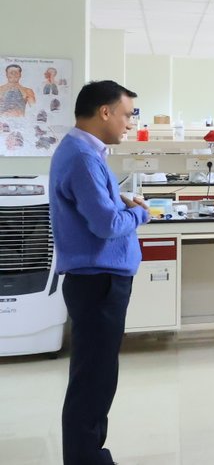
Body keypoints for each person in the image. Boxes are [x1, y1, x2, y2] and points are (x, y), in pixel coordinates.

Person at [50, 80, 148, 465]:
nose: (128, 124)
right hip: (98, 283)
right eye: (125, 115)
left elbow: (96, 208)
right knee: (93, 380)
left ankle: (88, 454)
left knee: (96, 377)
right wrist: (139, 211)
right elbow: (107, 225)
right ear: (104, 112)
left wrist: (117, 200)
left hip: (98, 281)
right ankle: (86, 458)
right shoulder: (82, 157)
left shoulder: (84, 151)